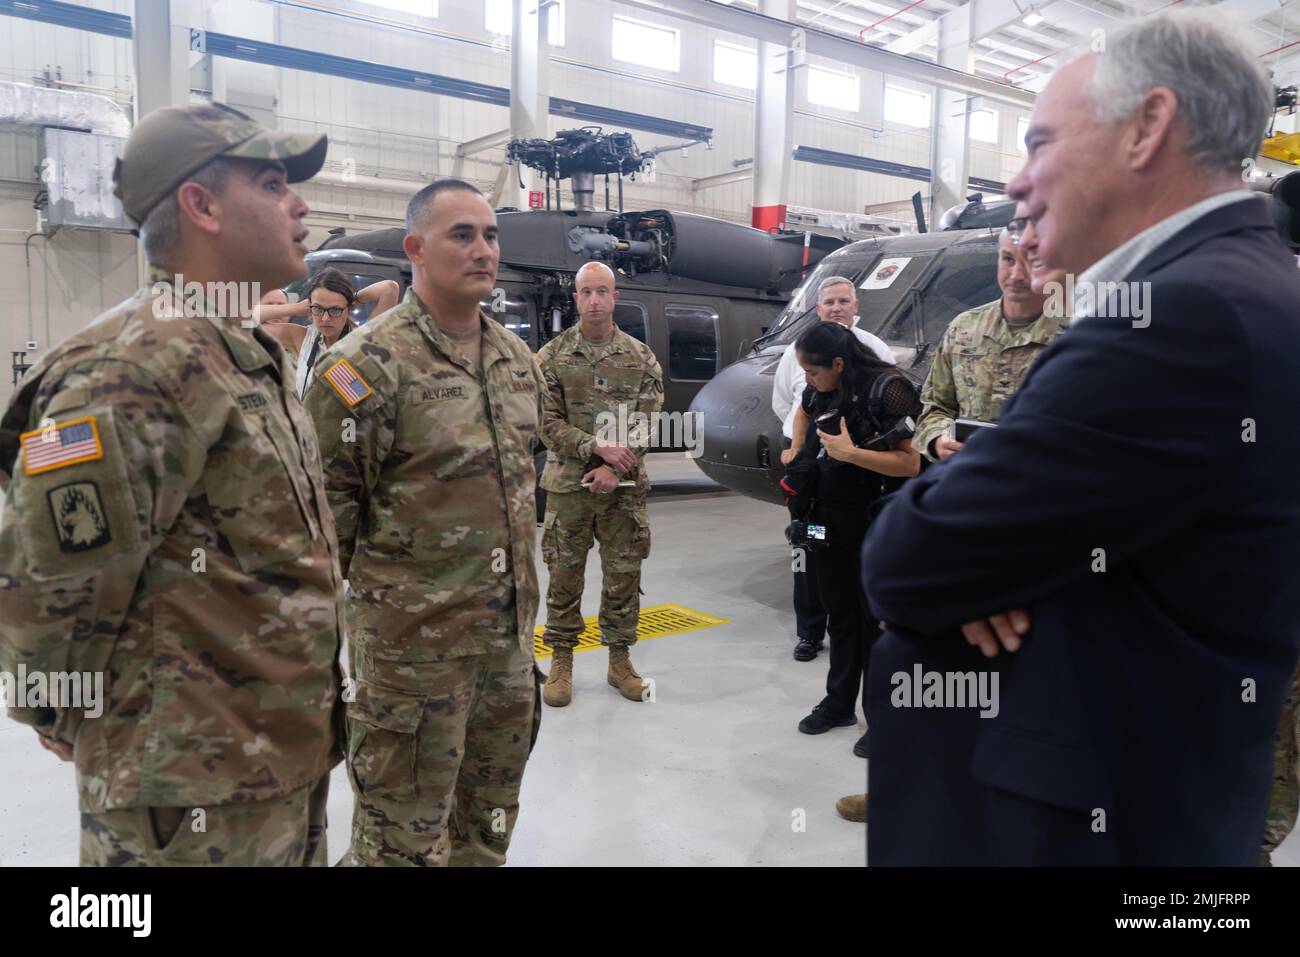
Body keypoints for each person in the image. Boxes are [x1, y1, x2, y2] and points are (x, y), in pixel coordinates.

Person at [861, 10, 1300, 865]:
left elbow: (906, 558)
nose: (1020, 184)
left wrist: (986, 554)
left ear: (1148, 127)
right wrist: (1005, 548)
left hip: (1087, 823)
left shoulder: (1180, 314)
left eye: (1039, 142)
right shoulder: (1250, 284)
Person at [0, 102, 344, 866]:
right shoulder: (135, 366)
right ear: (201, 204)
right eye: (275, 181)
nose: (301, 204)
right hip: (187, 795)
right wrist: (61, 708)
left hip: (272, 767)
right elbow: (46, 578)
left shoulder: (242, 348)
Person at [303, 177, 545, 867]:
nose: (483, 250)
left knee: (486, 832)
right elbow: (325, 537)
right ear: (415, 248)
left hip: (505, 658)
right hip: (410, 672)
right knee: (400, 846)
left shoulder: (516, 362)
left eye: (491, 235)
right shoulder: (364, 368)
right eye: (461, 234)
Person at [784, 321, 919, 762]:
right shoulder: (819, 389)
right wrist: (798, 446)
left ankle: (885, 718)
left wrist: (850, 454)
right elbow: (805, 407)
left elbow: (909, 464)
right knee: (838, 614)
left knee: (876, 625)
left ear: (839, 363)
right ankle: (839, 703)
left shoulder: (889, 389)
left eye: (813, 371)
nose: (807, 379)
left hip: (874, 520)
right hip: (823, 518)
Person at [536, 261, 664, 707]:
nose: (594, 300)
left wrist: (615, 467)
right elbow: (545, 422)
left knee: (623, 576)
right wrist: (596, 446)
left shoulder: (640, 357)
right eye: (586, 292)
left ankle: (619, 661)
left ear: (616, 297)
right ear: (575, 298)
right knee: (563, 577)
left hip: (623, 491)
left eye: (602, 291)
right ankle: (561, 661)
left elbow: (648, 422)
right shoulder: (551, 357)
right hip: (568, 490)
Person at [774, 276, 894, 662]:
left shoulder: (874, 351)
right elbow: (790, 405)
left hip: (854, 481)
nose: (837, 307)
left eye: (845, 300)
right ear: (818, 307)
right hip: (812, 482)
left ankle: (867, 632)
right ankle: (809, 631)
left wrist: (851, 454)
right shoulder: (798, 351)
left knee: (855, 563)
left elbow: (887, 418)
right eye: (830, 302)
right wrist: (798, 448)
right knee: (807, 550)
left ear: (856, 306)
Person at [912, 229, 1066, 463]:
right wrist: (939, 440)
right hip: (970, 484)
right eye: (1008, 259)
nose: (1016, 275)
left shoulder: (1081, 334)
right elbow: (936, 407)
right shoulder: (964, 328)